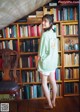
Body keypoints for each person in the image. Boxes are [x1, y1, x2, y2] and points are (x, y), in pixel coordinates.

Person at [37, 14, 58, 109]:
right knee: (53, 81)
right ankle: (53, 101)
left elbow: (40, 53)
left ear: (50, 23)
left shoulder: (45, 35)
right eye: (42, 21)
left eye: (45, 21)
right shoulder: (54, 33)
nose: (43, 23)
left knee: (44, 83)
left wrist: (37, 62)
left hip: (45, 63)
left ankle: (49, 104)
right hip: (53, 62)